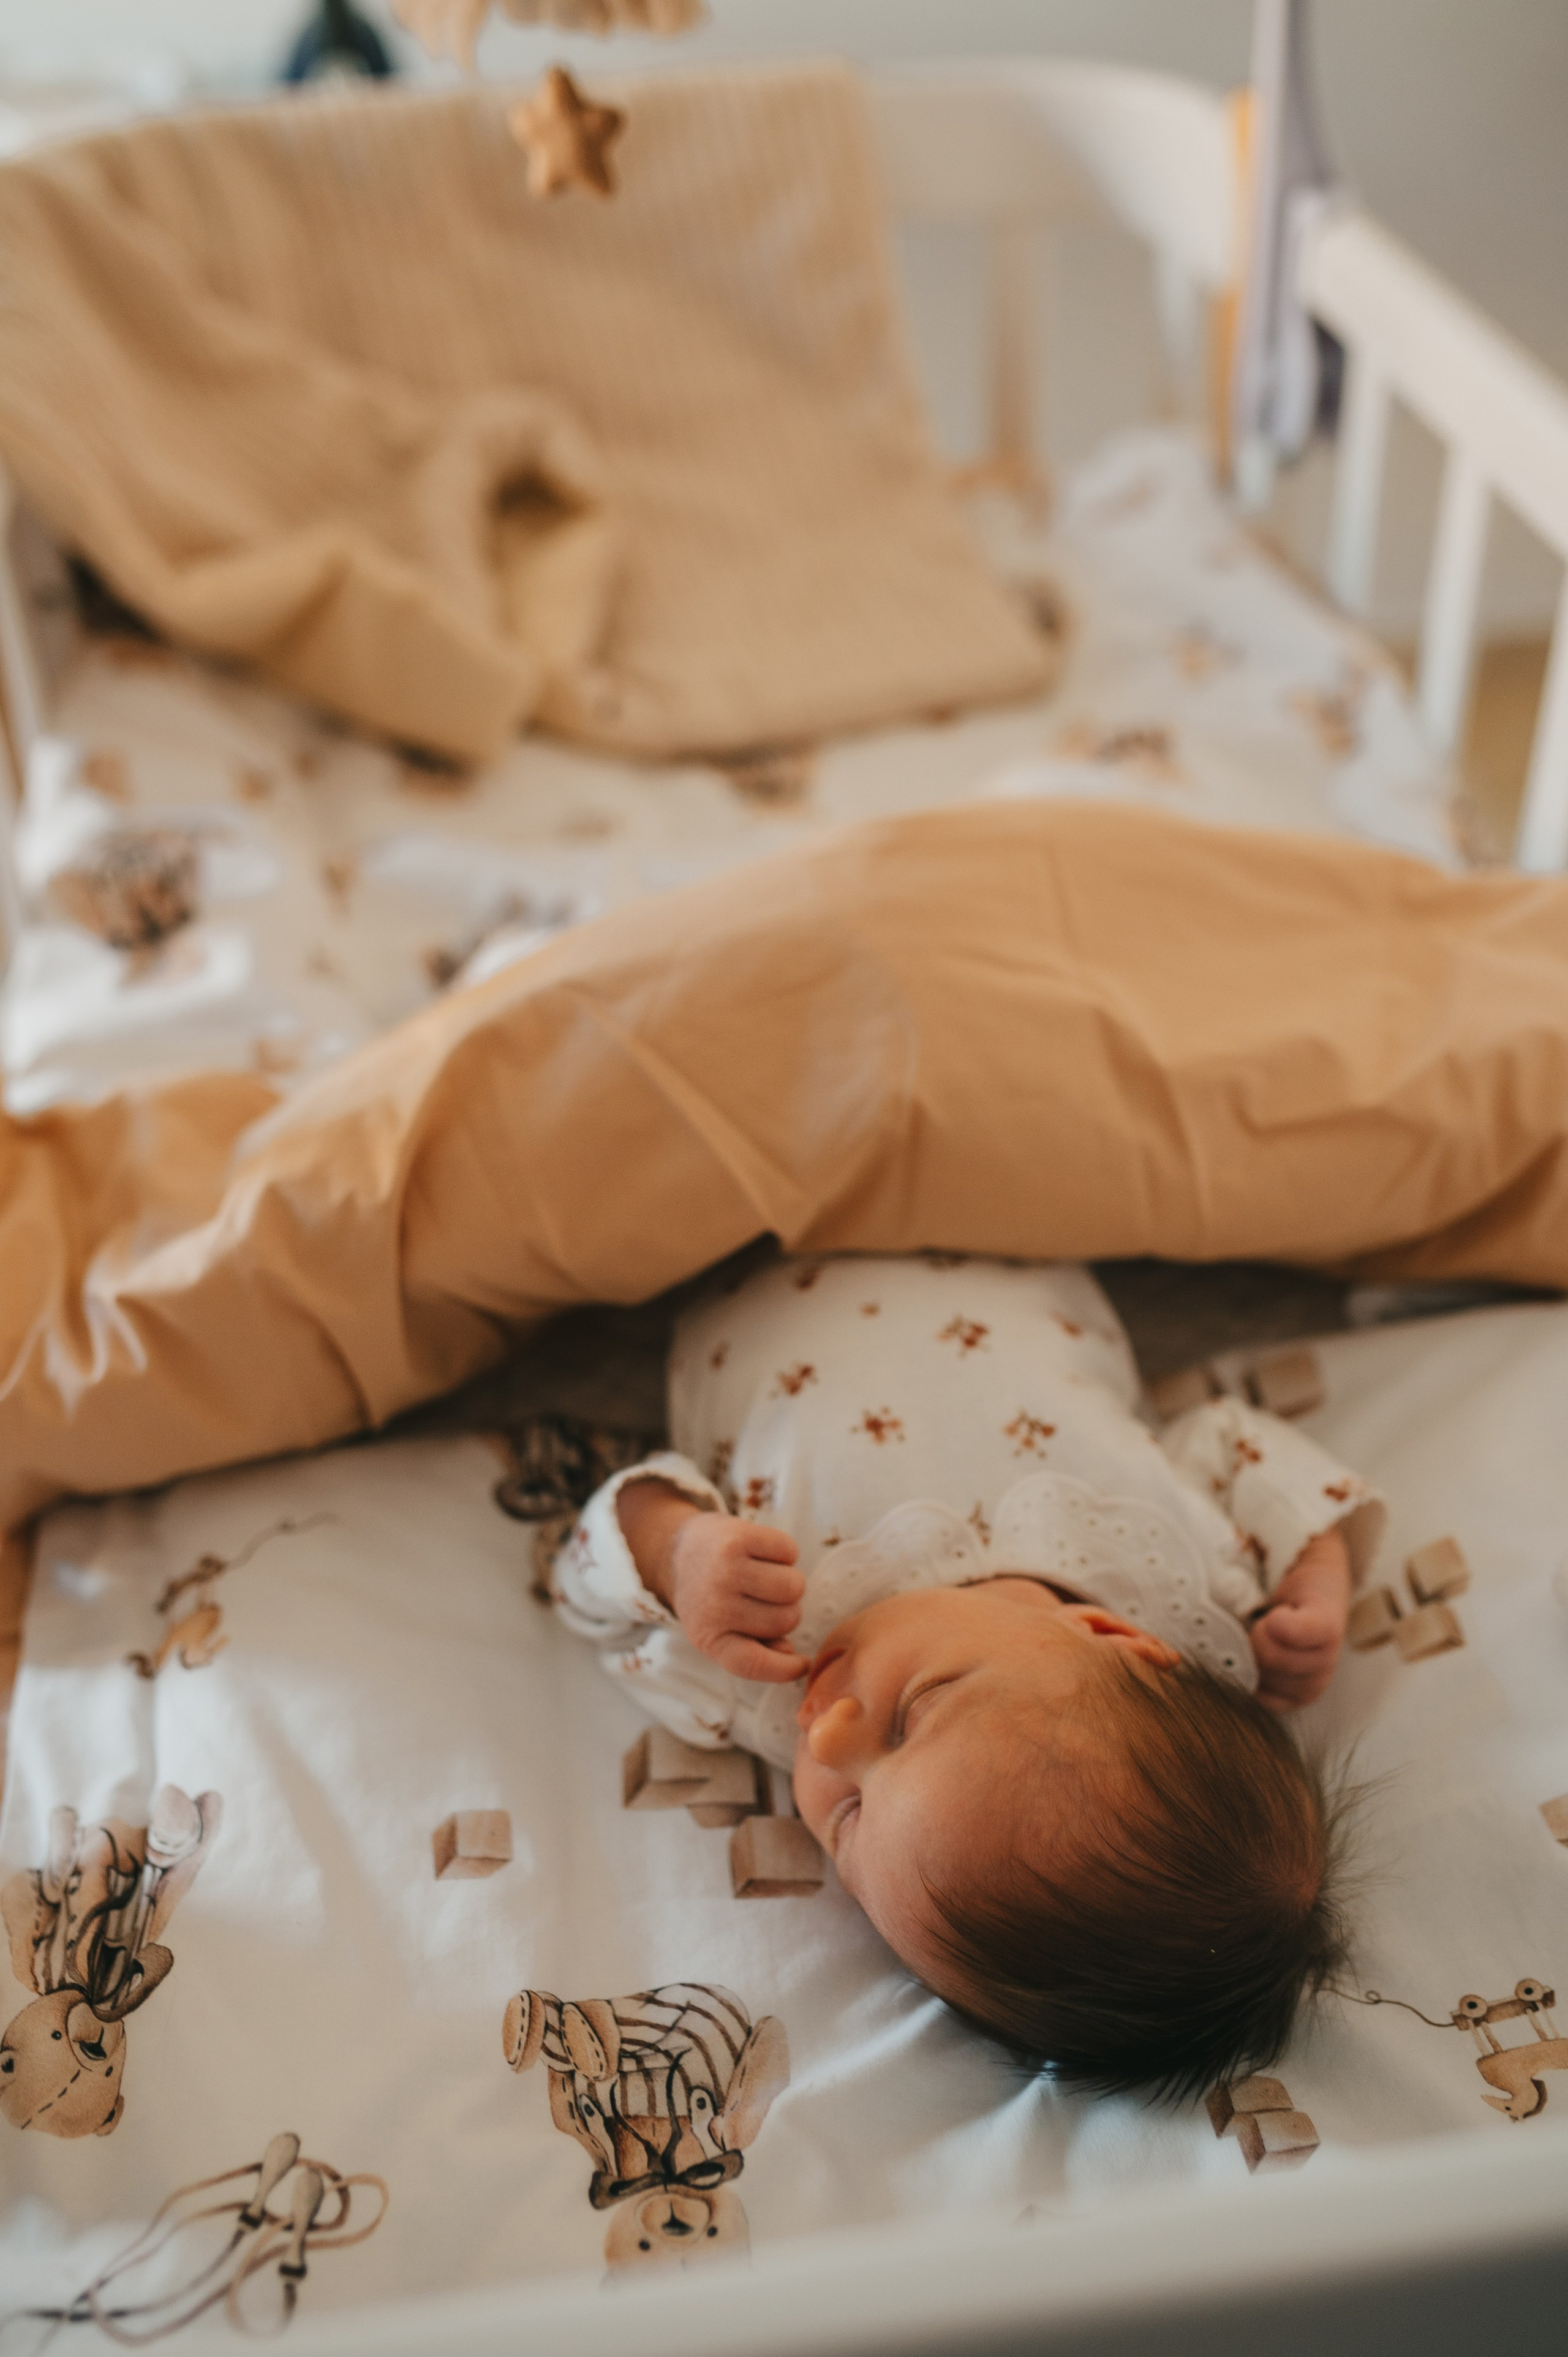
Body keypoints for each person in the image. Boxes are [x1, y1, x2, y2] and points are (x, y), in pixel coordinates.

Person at [551, 1251, 1381, 2099]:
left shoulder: (752, 1660)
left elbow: (584, 1581)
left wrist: (675, 1552)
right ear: (1112, 1636)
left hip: (754, 1254)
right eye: (917, 1711)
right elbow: (1234, 1443)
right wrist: (1318, 1572)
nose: (826, 1734)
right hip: (1002, 1226)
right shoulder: (1185, 1575)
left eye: (848, 1818)